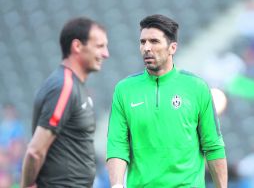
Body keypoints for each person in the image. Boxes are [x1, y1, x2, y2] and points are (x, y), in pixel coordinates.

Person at [106, 14, 227, 188]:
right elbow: (117, 145)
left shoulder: (196, 87)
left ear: (172, 48)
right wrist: (117, 184)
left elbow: (213, 146)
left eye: (154, 41)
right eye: (143, 42)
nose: (146, 48)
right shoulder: (124, 90)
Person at [21, 16, 109, 188]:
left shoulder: (74, 86)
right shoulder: (65, 87)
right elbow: (35, 151)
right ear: (77, 46)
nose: (106, 54)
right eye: (99, 46)